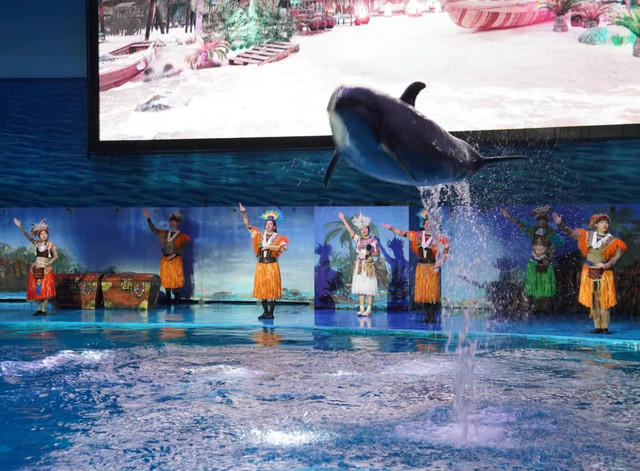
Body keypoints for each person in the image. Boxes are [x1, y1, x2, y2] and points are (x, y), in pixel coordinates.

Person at [553, 212, 627, 334]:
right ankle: (597, 326)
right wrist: (561, 224)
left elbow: (616, 257)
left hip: (604, 273)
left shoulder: (613, 241)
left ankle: (605, 327)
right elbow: (571, 233)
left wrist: (606, 265)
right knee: (594, 300)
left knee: (604, 300)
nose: (605, 224)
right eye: (602, 222)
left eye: (606, 223)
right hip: (589, 272)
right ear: (596, 225)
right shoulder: (587, 236)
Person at [381, 209, 449, 322]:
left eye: (430, 223)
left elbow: (446, 252)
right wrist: (391, 228)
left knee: (432, 293)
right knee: (424, 293)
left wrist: (440, 263)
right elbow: (403, 234)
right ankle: (426, 315)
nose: (427, 225)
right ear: (423, 224)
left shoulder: (438, 238)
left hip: (432, 268)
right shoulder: (418, 235)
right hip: (421, 267)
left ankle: (432, 315)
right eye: (426, 223)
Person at [500, 206, 559, 309]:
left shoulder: (551, 232)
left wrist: (547, 259)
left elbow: (555, 246)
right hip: (533, 262)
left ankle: (544, 308)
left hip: (545, 263)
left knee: (545, 288)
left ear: (547, 221)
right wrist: (508, 216)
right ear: (537, 221)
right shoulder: (533, 230)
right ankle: (531, 307)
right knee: (531, 287)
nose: (542, 222)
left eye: (544, 220)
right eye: (540, 220)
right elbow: (520, 224)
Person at [239, 203, 289, 320]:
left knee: (272, 290)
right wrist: (243, 213)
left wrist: (270, 247)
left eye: (271, 224)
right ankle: (265, 312)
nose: (268, 225)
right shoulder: (259, 235)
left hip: (272, 265)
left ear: (274, 227)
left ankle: (271, 313)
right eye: (267, 224)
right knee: (262, 289)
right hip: (261, 265)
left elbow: (283, 248)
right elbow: (248, 226)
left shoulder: (278, 238)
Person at [143, 209, 190, 305]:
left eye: (174, 221)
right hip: (166, 260)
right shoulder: (165, 233)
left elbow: (183, 248)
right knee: (166, 279)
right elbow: (154, 229)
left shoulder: (182, 236)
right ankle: (168, 301)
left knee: (176, 280)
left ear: (178, 223)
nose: (172, 223)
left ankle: (176, 301)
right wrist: (148, 218)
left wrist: (174, 255)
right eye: (171, 221)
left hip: (175, 260)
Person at [338, 211, 380, 316]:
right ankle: (361, 308)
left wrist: (370, 253)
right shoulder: (358, 239)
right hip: (359, 266)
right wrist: (343, 219)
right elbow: (350, 230)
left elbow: (378, 253)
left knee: (369, 288)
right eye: (361, 229)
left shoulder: (373, 241)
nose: (363, 231)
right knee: (361, 288)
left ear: (368, 229)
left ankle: (368, 309)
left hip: (368, 266)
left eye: (365, 228)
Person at [13, 218, 58, 316]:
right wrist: (20, 227)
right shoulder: (37, 243)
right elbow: (28, 236)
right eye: (42, 234)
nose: (44, 235)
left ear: (47, 234)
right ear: (39, 235)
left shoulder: (51, 245)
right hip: (36, 268)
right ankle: (38, 309)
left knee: (45, 289)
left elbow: (55, 257)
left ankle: (44, 310)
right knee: (36, 289)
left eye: (45, 233)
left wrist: (46, 263)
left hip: (46, 270)